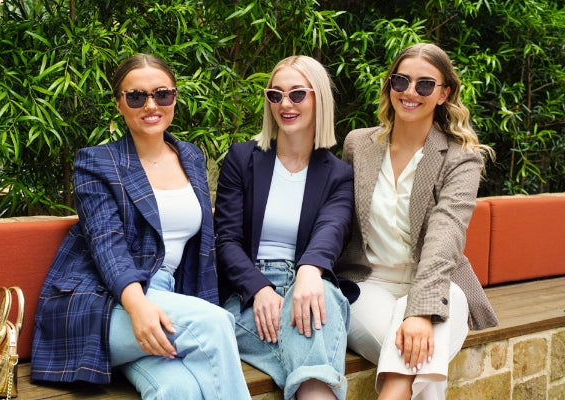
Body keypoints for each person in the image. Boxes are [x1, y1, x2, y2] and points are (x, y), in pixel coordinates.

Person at [31, 54, 251, 400]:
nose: (151, 105)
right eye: (136, 96)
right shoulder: (97, 162)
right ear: (119, 104)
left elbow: (203, 252)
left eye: (162, 94)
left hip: (168, 299)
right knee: (214, 323)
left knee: (178, 389)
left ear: (175, 98)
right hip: (106, 303)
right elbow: (107, 245)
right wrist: (138, 307)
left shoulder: (190, 157)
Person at [336, 43, 499, 400]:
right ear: (390, 85)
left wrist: (421, 311)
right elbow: (338, 217)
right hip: (367, 282)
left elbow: (446, 234)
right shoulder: (358, 145)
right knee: (417, 360)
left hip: (440, 283)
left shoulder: (461, 158)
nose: (410, 92)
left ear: (445, 93)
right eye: (401, 81)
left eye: (425, 84)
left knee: (409, 359)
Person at [214, 55, 357, 400]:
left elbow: (332, 228)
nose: (285, 104)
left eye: (297, 94)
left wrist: (309, 272)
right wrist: (260, 289)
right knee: (310, 347)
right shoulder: (242, 159)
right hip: (246, 295)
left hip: (308, 286)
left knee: (317, 301)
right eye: (275, 95)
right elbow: (227, 240)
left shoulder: (338, 174)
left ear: (318, 98)